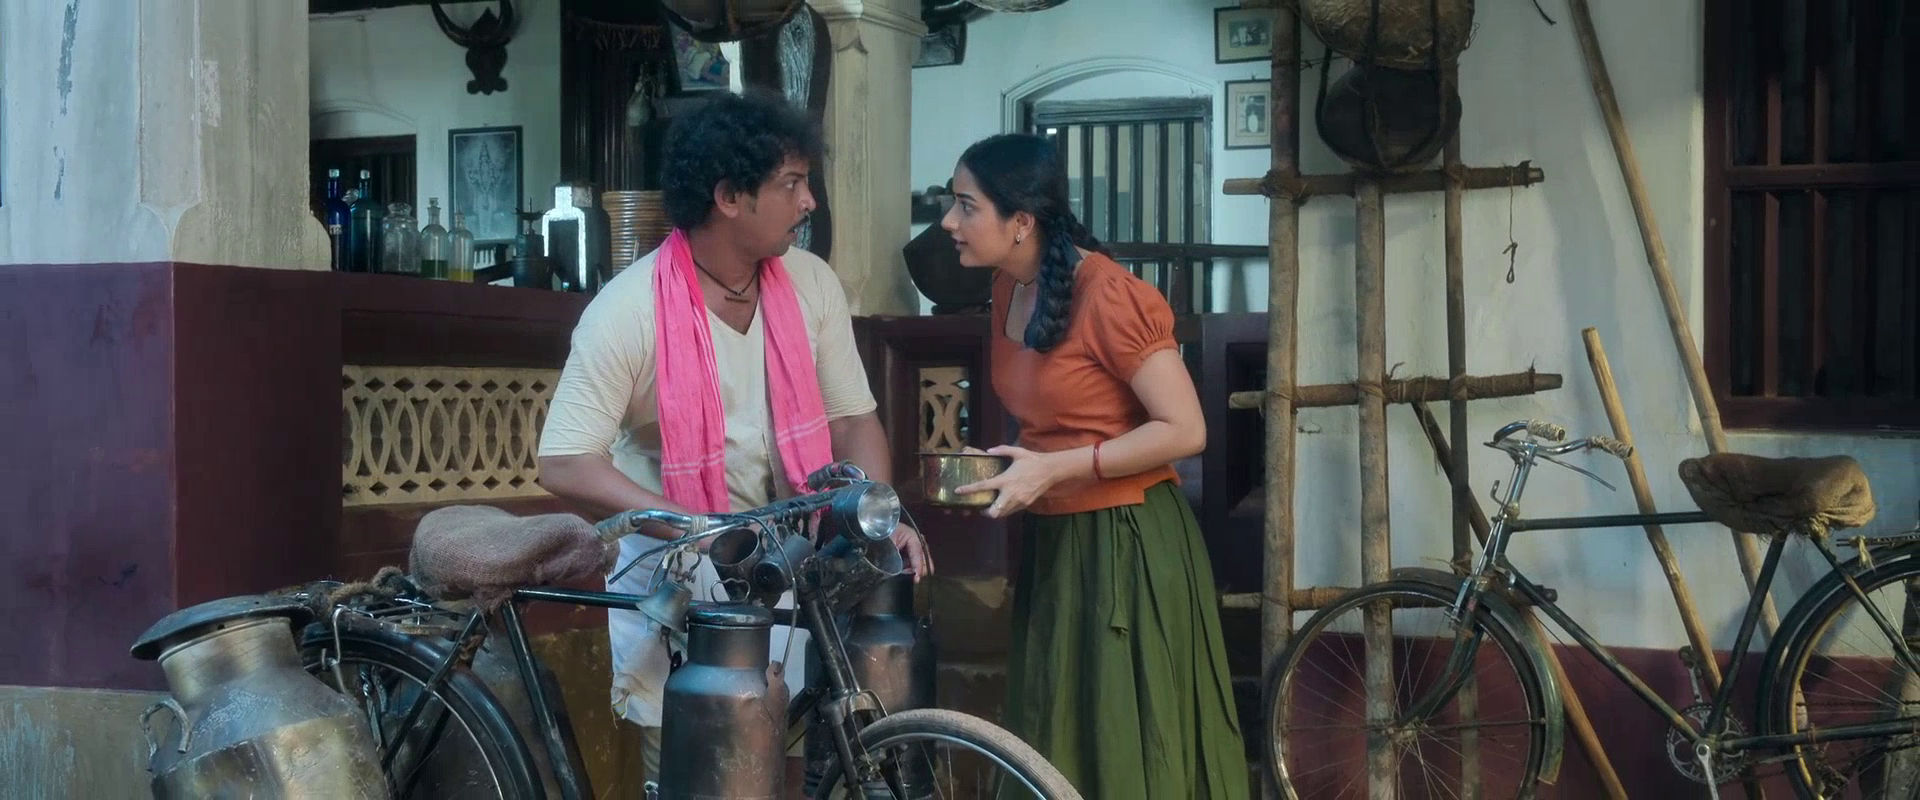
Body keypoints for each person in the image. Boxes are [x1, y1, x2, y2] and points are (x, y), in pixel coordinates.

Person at [534, 88, 931, 779]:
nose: (809, 201)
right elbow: (565, 461)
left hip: (792, 561)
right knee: (701, 772)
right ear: (728, 197)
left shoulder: (811, 283)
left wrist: (878, 514)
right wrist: (701, 530)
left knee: (798, 752)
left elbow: (851, 420)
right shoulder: (627, 311)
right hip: (679, 576)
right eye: (791, 183)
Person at [942, 133, 1248, 799]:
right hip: (1058, 542)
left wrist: (1054, 470)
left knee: (1123, 739)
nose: (948, 222)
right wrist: (1004, 467)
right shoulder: (1008, 287)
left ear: (1021, 221)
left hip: (1126, 542)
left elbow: (1186, 429)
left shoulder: (1110, 294)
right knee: (1058, 731)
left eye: (966, 206)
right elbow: (1053, 425)